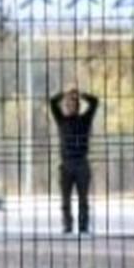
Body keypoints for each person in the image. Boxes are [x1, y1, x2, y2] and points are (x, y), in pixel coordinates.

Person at [49, 87, 99, 234]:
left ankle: (83, 225)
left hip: (82, 163)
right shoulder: (61, 120)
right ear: (66, 106)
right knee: (65, 199)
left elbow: (94, 102)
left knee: (83, 199)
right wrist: (64, 93)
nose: (71, 106)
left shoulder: (85, 119)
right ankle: (67, 225)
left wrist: (81, 94)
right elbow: (52, 102)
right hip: (66, 164)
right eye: (69, 104)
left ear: (78, 106)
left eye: (74, 104)